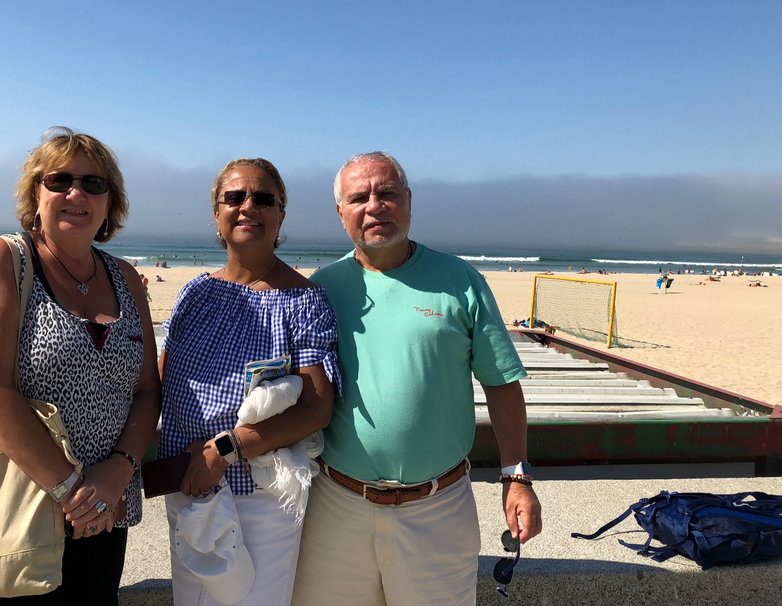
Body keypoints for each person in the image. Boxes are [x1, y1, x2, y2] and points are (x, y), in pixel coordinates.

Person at [292, 152, 542, 606]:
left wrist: (516, 478)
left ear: (408, 201)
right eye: (359, 197)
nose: (375, 205)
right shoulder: (319, 289)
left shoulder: (460, 281)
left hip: (439, 509)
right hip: (336, 506)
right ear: (340, 213)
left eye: (387, 193)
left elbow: (502, 384)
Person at [0, 127, 161, 604]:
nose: (77, 193)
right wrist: (74, 490)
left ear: (110, 202)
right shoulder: (5, 258)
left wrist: (118, 469)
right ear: (36, 192)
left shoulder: (125, 277)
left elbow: (147, 390)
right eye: (60, 180)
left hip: (106, 514)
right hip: (23, 506)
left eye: (94, 184)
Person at [159, 157, 338, 606]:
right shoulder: (194, 292)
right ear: (217, 213)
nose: (248, 207)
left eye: (263, 198)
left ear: (281, 214)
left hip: (259, 495)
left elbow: (316, 406)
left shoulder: (303, 300)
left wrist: (225, 448)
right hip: (187, 484)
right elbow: (165, 376)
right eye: (234, 197)